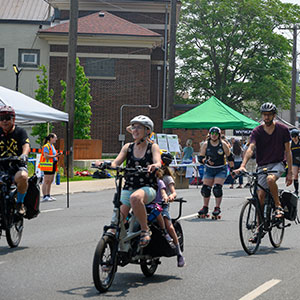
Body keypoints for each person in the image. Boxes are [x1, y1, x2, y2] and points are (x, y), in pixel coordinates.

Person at [102, 115, 161, 247]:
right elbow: (116, 162)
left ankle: (145, 230)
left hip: (147, 187)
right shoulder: (128, 147)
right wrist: (104, 164)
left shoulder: (153, 147)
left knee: (135, 198)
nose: (134, 130)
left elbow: (158, 162)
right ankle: (113, 254)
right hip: (129, 186)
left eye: (138, 127)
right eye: (133, 127)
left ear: (147, 131)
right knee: (117, 221)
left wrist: (154, 166)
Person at [235, 102, 292, 223]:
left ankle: (278, 206)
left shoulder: (283, 130)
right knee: (260, 196)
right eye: (264, 115)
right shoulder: (257, 131)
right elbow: (250, 148)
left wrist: (290, 172)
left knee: (270, 180)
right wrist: (242, 165)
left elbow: (288, 151)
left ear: (274, 115)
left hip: (278, 163)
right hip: (262, 165)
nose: (266, 117)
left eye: (269, 115)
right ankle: (259, 228)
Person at [156, 152, 185, 267]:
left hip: (162, 204)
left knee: (168, 224)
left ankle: (179, 252)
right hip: (148, 203)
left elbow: (173, 192)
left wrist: (170, 197)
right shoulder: (149, 174)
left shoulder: (166, 178)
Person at [198, 127, 234, 218]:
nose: (214, 136)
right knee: (206, 189)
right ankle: (205, 207)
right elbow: (200, 158)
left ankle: (217, 207)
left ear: (219, 135)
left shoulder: (223, 144)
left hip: (221, 168)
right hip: (209, 169)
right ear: (209, 134)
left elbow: (230, 157)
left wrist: (233, 170)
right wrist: (205, 161)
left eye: (216, 134)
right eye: (212, 134)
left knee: (217, 189)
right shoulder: (206, 144)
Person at [0, 106, 30, 214]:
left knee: (22, 177)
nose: (4, 121)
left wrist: (24, 155)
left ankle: (20, 203)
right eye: (1, 118)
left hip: (17, 165)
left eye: (7, 117)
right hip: (1, 166)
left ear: (13, 119)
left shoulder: (20, 131)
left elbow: (26, 145)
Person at [38, 133, 61, 202]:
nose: (56, 139)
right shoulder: (46, 146)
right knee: (46, 181)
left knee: (50, 181)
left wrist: (56, 156)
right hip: (47, 165)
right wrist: (55, 156)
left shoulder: (52, 146)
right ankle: (45, 195)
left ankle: (48, 195)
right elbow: (46, 156)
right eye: (55, 137)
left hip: (52, 165)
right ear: (51, 138)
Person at [290, 129, 300, 195]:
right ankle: (296, 190)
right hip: (294, 160)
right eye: (293, 137)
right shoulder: (291, 144)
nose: (294, 138)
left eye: (295, 137)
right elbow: (289, 153)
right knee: (295, 176)